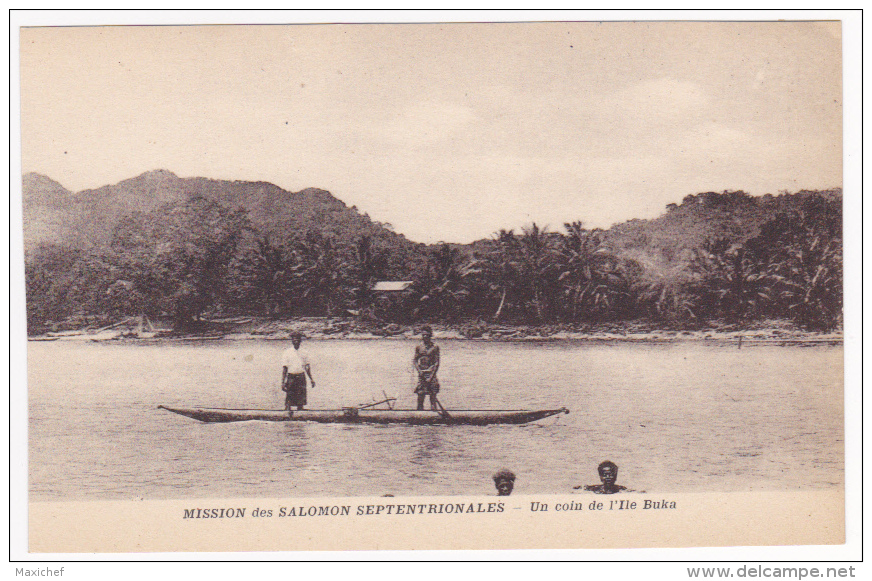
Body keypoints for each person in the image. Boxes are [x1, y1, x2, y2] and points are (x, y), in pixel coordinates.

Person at [281, 332, 315, 410]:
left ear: (300, 341)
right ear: (292, 341)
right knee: (289, 398)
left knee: (301, 399)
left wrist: (311, 379)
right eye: (294, 339)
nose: (296, 341)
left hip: (301, 376)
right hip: (291, 376)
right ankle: (287, 414)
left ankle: (300, 413)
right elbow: (285, 368)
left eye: (298, 339)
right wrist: (283, 382)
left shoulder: (304, 352)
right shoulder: (287, 352)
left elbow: (307, 366)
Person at [413, 325, 440, 411]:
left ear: (430, 335)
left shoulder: (435, 347)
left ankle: (434, 414)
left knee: (433, 396)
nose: (425, 337)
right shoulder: (419, 347)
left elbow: (436, 363)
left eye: (427, 335)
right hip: (422, 374)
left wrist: (431, 376)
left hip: (431, 374)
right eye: (423, 335)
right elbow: (415, 360)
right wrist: (419, 371)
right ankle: (419, 414)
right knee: (420, 395)